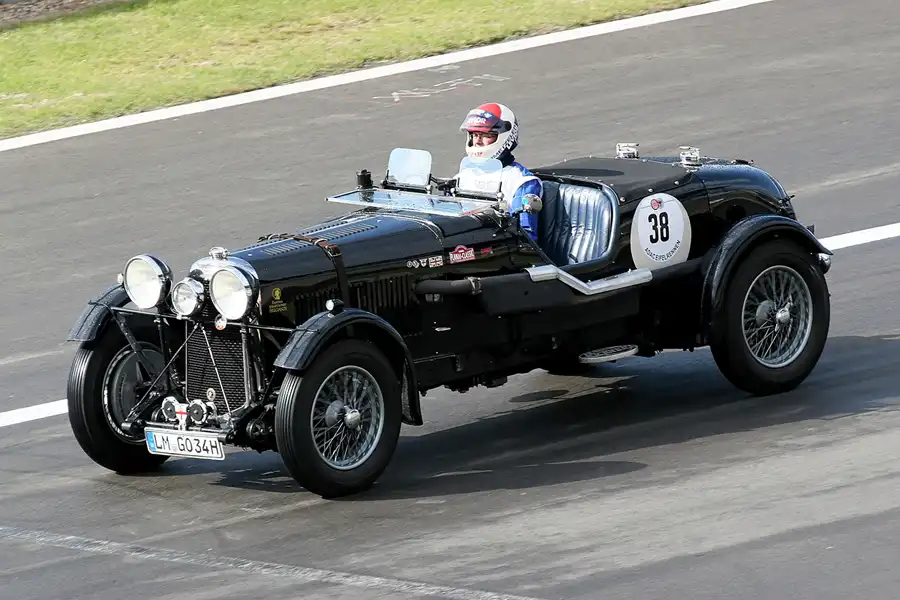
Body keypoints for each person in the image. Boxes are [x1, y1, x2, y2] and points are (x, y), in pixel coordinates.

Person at [458, 103, 542, 241]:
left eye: (486, 135)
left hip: (500, 250)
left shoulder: (522, 181)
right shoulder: (464, 175)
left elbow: (526, 236)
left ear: (504, 137)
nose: (478, 141)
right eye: (475, 135)